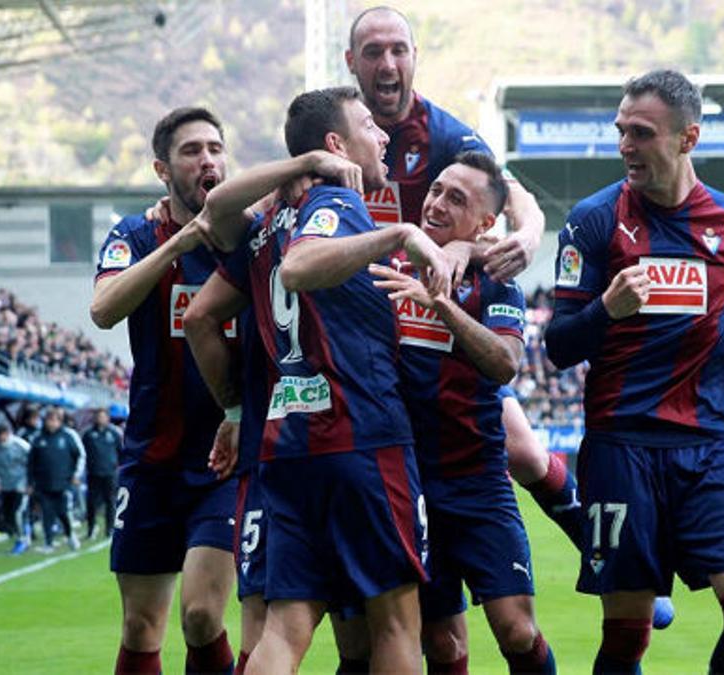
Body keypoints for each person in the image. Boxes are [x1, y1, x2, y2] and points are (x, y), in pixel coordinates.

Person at [344, 4, 623, 625]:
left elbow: (510, 191)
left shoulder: (442, 133)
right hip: (366, 332)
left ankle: (603, 557)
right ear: (351, 64)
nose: (389, 64)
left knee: (522, 452)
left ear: (415, 58)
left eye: (399, 50)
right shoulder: (339, 130)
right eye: (373, 52)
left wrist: (526, 232)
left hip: (431, 320)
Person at [543, 69, 724, 674]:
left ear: (687, 138)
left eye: (641, 133)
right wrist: (606, 310)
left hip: (708, 447)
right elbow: (558, 346)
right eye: (621, 131)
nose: (625, 146)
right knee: (627, 637)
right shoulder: (592, 220)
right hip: (621, 447)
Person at [198, 86, 449, 674]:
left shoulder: (267, 223)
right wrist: (399, 235)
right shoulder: (335, 202)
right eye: (369, 125)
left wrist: (234, 411)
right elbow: (303, 266)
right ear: (336, 144)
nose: (384, 134)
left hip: (288, 446)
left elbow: (201, 315)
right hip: (361, 435)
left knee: (285, 630)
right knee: (396, 621)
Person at [370, 151, 556, 673]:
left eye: (457, 198)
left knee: (518, 632)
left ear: (485, 224)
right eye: (436, 190)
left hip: (477, 480)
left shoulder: (497, 284)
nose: (437, 203)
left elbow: (505, 363)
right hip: (410, 484)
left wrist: (443, 307)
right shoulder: (390, 265)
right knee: (443, 644)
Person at [90, 106, 237, 675]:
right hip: (150, 458)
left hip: (223, 460)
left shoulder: (246, 238)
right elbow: (103, 309)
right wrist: (178, 245)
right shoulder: (134, 234)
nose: (208, 160)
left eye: (216, 149)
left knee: (202, 615)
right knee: (140, 626)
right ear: (162, 169)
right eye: (192, 150)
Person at [27, 408, 83, 552]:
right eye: (48, 420)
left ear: (59, 421)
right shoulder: (38, 439)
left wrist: (76, 475)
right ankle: (49, 543)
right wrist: (30, 483)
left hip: (64, 483)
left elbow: (80, 456)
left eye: (54, 420)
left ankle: (70, 535)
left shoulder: (68, 436)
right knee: (47, 514)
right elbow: (31, 463)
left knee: (63, 513)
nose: (51, 423)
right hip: (44, 484)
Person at [0, 423, 31, 554]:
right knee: (8, 514)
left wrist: (30, 483)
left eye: (3, 436)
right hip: (5, 484)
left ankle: (22, 540)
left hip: (21, 483)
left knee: (17, 512)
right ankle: (23, 534)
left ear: (8, 434)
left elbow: (33, 463)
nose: (1, 439)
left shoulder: (21, 445)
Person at [82, 408, 121, 539]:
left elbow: (120, 452)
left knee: (110, 502)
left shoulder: (114, 433)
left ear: (107, 418)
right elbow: (83, 453)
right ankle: (91, 528)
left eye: (103, 416)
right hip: (93, 473)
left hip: (109, 474)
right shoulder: (88, 434)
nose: (100, 419)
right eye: (98, 416)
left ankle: (109, 529)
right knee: (91, 503)